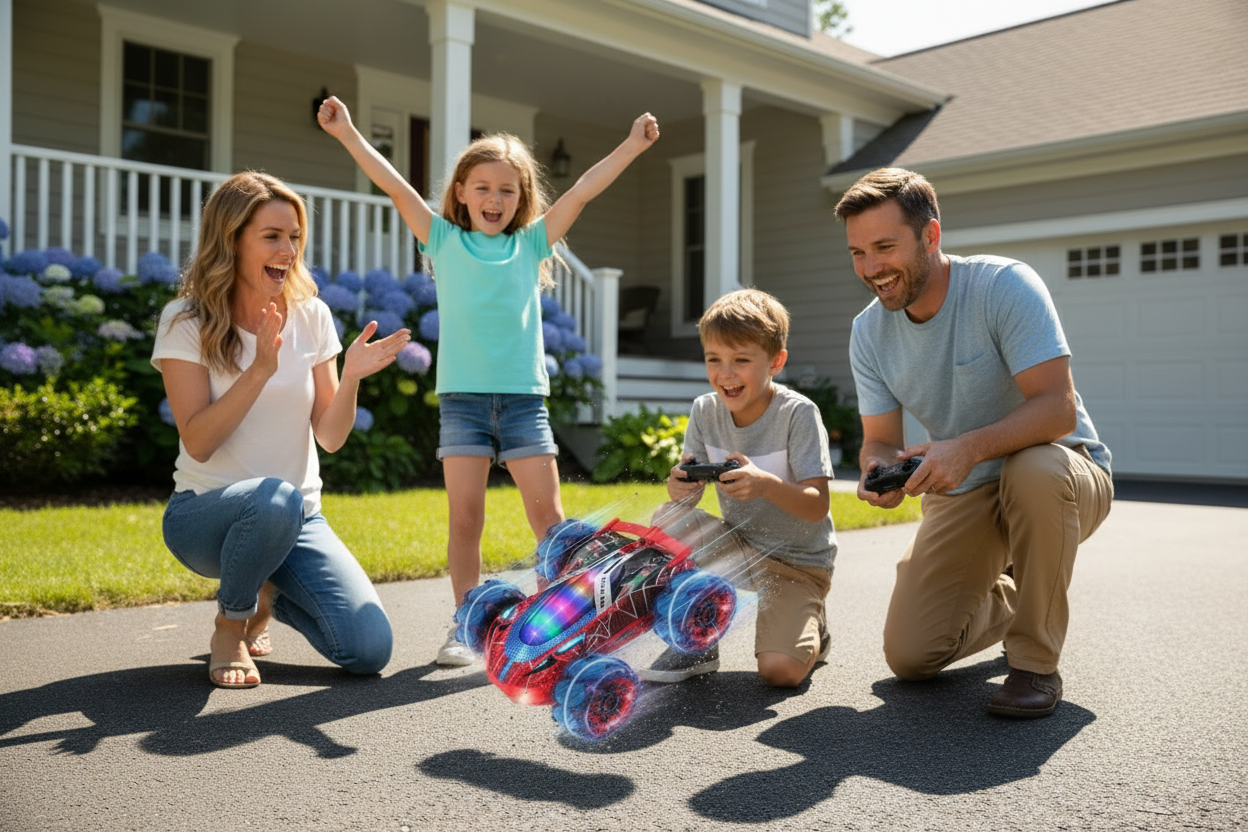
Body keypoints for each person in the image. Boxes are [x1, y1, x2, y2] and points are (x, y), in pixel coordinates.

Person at [318, 96, 660, 666]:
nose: (494, 199)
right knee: (465, 520)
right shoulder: (444, 241)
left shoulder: (531, 245)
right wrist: (350, 135)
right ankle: (467, 624)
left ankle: (562, 624)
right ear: (460, 193)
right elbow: (397, 186)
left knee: (549, 522)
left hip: (524, 403)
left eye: (507, 190)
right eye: (482, 187)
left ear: (522, 199)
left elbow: (581, 192)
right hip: (464, 404)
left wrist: (631, 145)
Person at [834, 167, 1114, 718]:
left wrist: (966, 447)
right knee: (911, 656)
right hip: (969, 488)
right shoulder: (868, 332)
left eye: (885, 247)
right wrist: (879, 471)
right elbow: (881, 441)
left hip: (1062, 473)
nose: (871, 269)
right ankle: (1019, 588)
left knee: (1032, 471)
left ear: (930, 236)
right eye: (857, 253)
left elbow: (1057, 407)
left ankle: (1034, 664)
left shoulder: (1002, 285)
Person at [152, 171, 411, 689]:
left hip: (297, 520)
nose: (288, 249)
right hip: (206, 516)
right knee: (273, 498)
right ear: (232, 239)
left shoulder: (311, 316)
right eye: (272, 236)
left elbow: (330, 437)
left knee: (368, 650)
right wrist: (259, 372)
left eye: (294, 236)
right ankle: (231, 625)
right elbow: (198, 441)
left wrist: (353, 377)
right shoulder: (186, 320)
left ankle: (265, 593)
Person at [642, 288, 838, 688]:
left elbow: (817, 506)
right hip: (740, 549)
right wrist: (680, 487)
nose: (725, 374)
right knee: (667, 519)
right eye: (714, 360)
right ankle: (696, 640)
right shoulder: (705, 410)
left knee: (779, 672)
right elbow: (689, 492)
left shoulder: (797, 414)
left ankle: (812, 624)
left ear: (776, 362)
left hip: (798, 567)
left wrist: (766, 485)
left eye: (741, 361)